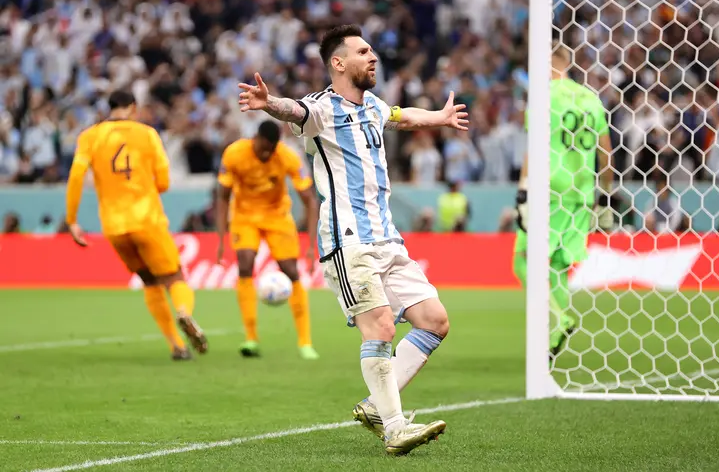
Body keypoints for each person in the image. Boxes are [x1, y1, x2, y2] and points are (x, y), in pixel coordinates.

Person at [237, 24, 468, 456]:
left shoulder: (374, 105)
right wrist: (270, 104)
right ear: (339, 63)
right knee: (380, 326)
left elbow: (401, 116)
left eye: (373, 50)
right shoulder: (321, 109)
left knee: (435, 321)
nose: (373, 56)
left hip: (388, 240)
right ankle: (395, 427)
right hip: (349, 240)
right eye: (364, 51)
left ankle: (376, 406)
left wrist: (438, 117)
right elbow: (294, 111)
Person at [65, 90, 208, 361]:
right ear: (132, 107)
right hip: (147, 220)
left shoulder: (90, 136)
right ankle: (184, 313)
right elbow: (164, 182)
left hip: (114, 226)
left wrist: (72, 221)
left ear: (110, 107)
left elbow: (75, 176)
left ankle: (176, 345)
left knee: (149, 280)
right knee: (175, 277)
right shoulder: (147, 134)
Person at [513, 42, 613, 363]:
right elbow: (606, 153)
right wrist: (606, 196)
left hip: (549, 189)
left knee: (522, 259)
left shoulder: (544, 97)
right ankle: (556, 332)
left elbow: (534, 147)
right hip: (583, 192)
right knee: (557, 264)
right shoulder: (591, 98)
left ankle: (559, 318)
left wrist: (523, 190)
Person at [216, 120, 320, 360]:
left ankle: (305, 342)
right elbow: (222, 196)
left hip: (277, 216)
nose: (266, 153)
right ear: (256, 138)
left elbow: (310, 200)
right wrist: (221, 238)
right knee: (245, 264)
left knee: (291, 270)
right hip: (244, 216)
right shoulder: (234, 153)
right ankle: (251, 338)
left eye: (271, 149)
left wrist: (311, 245)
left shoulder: (287, 156)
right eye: (263, 148)